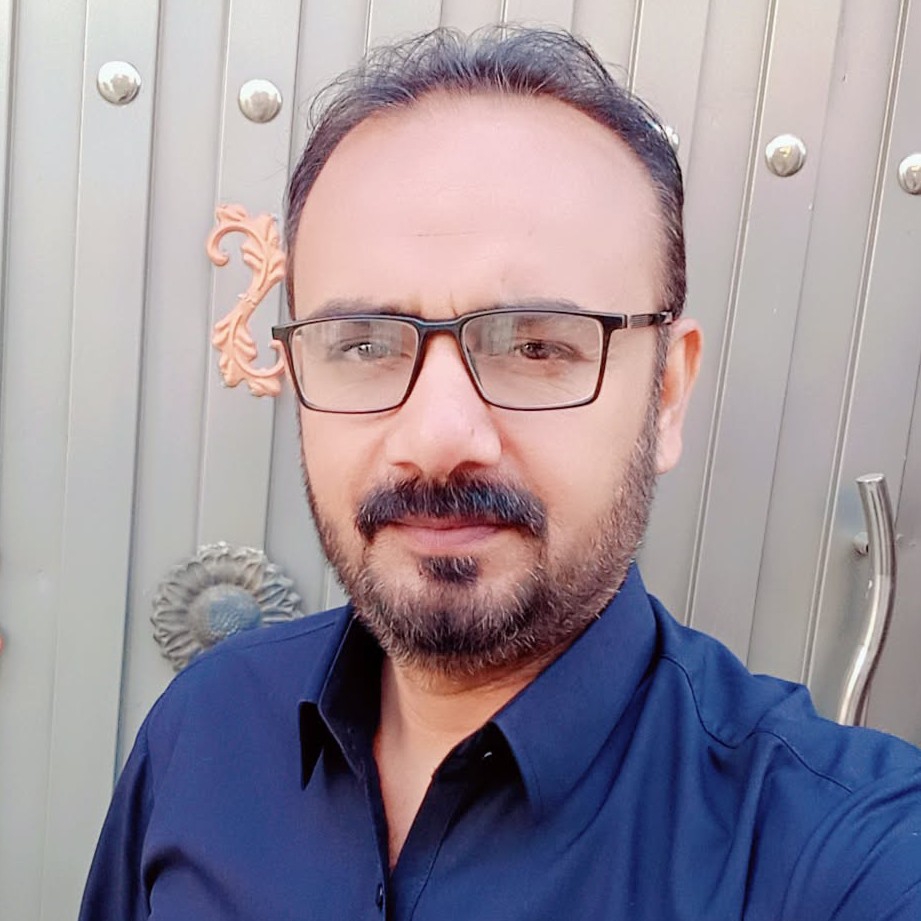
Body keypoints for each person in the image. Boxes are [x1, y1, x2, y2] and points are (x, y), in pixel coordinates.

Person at [80, 27, 921, 920]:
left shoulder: (839, 855)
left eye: (535, 345)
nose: (437, 437)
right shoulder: (205, 728)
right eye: (362, 344)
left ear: (667, 395)